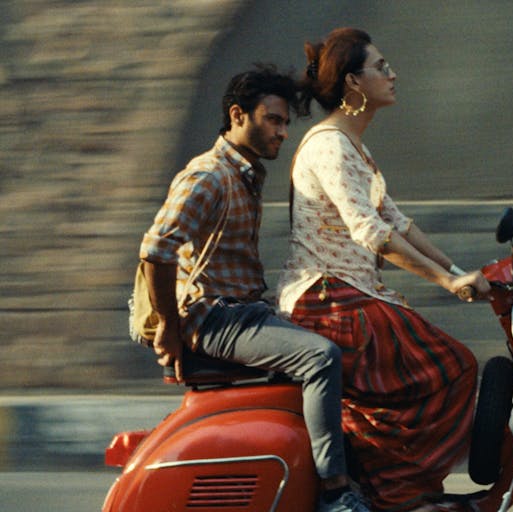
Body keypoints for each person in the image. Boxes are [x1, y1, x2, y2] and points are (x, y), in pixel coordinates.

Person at [277, 29, 491, 512]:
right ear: (353, 82)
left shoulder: (354, 149)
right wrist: (446, 282)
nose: (393, 75)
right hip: (325, 299)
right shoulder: (330, 145)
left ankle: (393, 488)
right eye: (381, 67)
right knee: (452, 368)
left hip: (349, 294)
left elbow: (398, 223)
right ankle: (398, 496)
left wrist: (461, 271)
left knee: (445, 370)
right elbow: (371, 232)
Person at [139, 64, 369, 512]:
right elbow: (156, 250)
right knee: (320, 357)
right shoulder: (209, 176)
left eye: (285, 123)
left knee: (349, 338)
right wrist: (169, 324)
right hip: (216, 317)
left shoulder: (245, 173)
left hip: (245, 311)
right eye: (273, 120)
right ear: (237, 115)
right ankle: (336, 493)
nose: (283, 133)